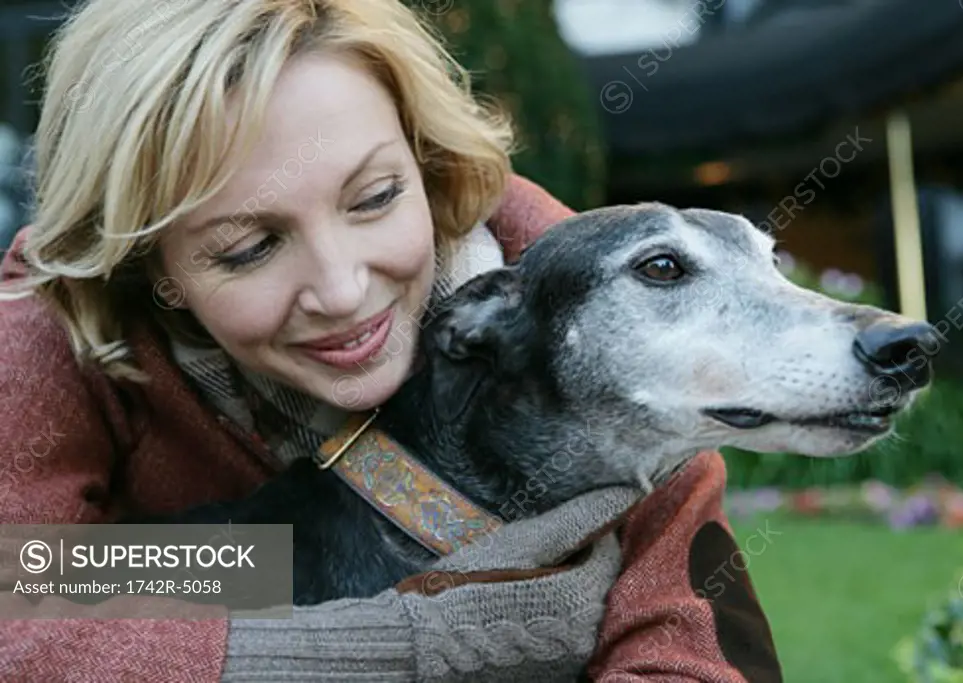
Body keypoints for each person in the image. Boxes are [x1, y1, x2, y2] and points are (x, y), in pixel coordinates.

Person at [0, 0, 783, 681]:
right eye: (249, 248)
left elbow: (701, 655)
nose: (343, 290)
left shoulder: (587, 300)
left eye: (374, 198)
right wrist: (414, 644)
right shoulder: (51, 311)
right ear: (153, 265)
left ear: (423, 153)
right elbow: (19, 597)